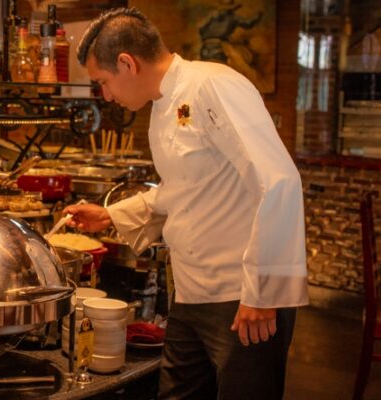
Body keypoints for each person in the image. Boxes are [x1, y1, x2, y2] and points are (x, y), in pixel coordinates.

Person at [68, 8, 308, 400]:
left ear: (127, 63)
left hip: (242, 296)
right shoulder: (161, 107)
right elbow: (182, 189)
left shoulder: (213, 86)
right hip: (191, 290)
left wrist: (265, 294)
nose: (106, 95)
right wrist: (109, 215)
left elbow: (278, 180)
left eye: (103, 82)